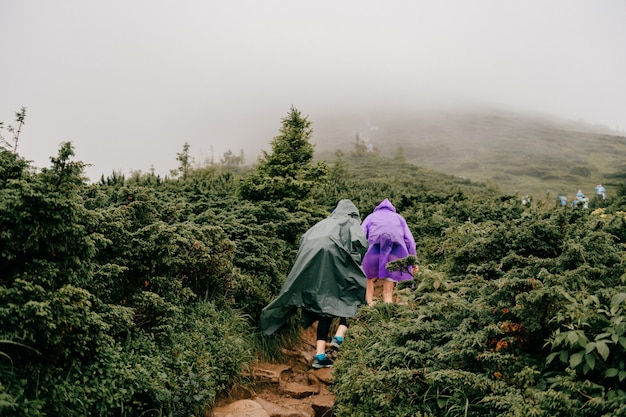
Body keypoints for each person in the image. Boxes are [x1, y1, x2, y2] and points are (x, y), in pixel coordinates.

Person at [259, 199, 368, 369]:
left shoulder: (322, 223)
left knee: (326, 307)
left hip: (314, 268)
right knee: (354, 296)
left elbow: (304, 241)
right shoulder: (350, 221)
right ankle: (339, 337)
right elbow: (360, 243)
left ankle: (319, 355)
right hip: (337, 263)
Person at [361, 199, 417, 305]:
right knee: (390, 278)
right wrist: (414, 261)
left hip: (373, 251)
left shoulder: (370, 217)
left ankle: (369, 304)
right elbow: (410, 241)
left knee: (367, 276)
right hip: (396, 252)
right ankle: (388, 304)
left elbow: (360, 236)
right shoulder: (399, 218)